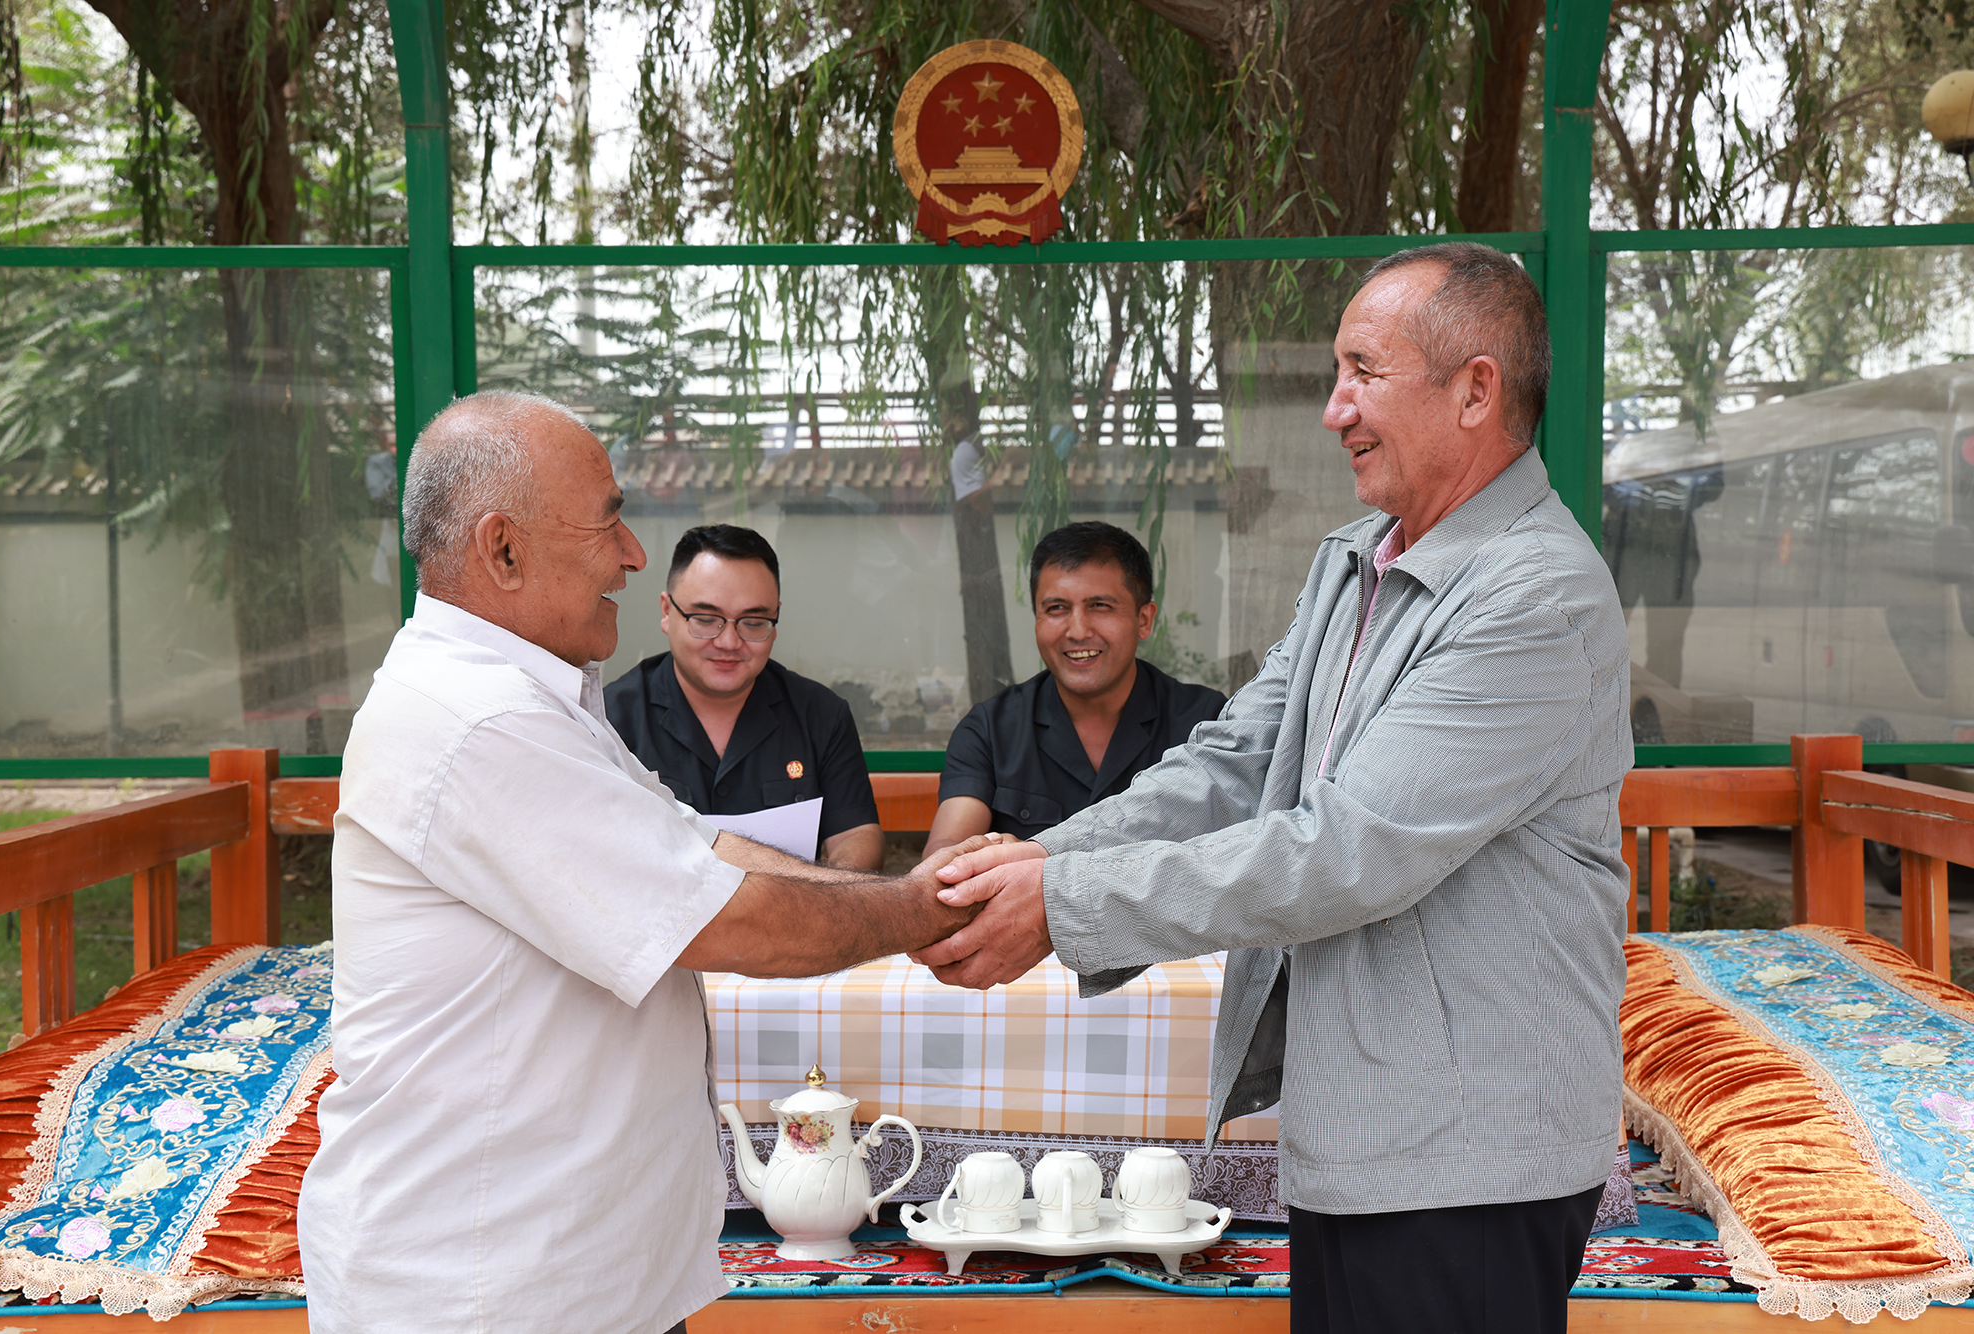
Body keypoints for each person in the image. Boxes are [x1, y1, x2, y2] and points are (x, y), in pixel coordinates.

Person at [916, 244, 1631, 1334]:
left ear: (1475, 389)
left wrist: (1059, 906)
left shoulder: (1535, 597)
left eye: (1362, 372)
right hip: (1360, 1131)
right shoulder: (1358, 559)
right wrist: (1041, 858)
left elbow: (1344, 850)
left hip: (1468, 1159)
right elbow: (1235, 762)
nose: (1335, 409)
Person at [297, 391, 986, 1334]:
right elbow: (728, 918)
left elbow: (701, 845)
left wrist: (914, 889)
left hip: (574, 1273)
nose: (629, 553)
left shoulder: (536, 698)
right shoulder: (480, 721)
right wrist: (928, 911)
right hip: (491, 1289)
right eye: (608, 519)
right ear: (504, 550)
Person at [922, 521, 1225, 858]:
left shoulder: (1206, 724)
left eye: (1100, 606)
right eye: (1056, 609)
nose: (1078, 631)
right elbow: (945, 852)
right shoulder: (992, 730)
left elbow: (1238, 853)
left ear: (1144, 619)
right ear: (1036, 618)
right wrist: (977, 855)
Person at [604, 525, 883, 870]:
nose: (729, 643)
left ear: (775, 618)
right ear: (666, 611)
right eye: (706, 619)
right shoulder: (610, 719)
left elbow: (856, 833)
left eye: (753, 622)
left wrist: (834, 886)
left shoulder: (821, 714)